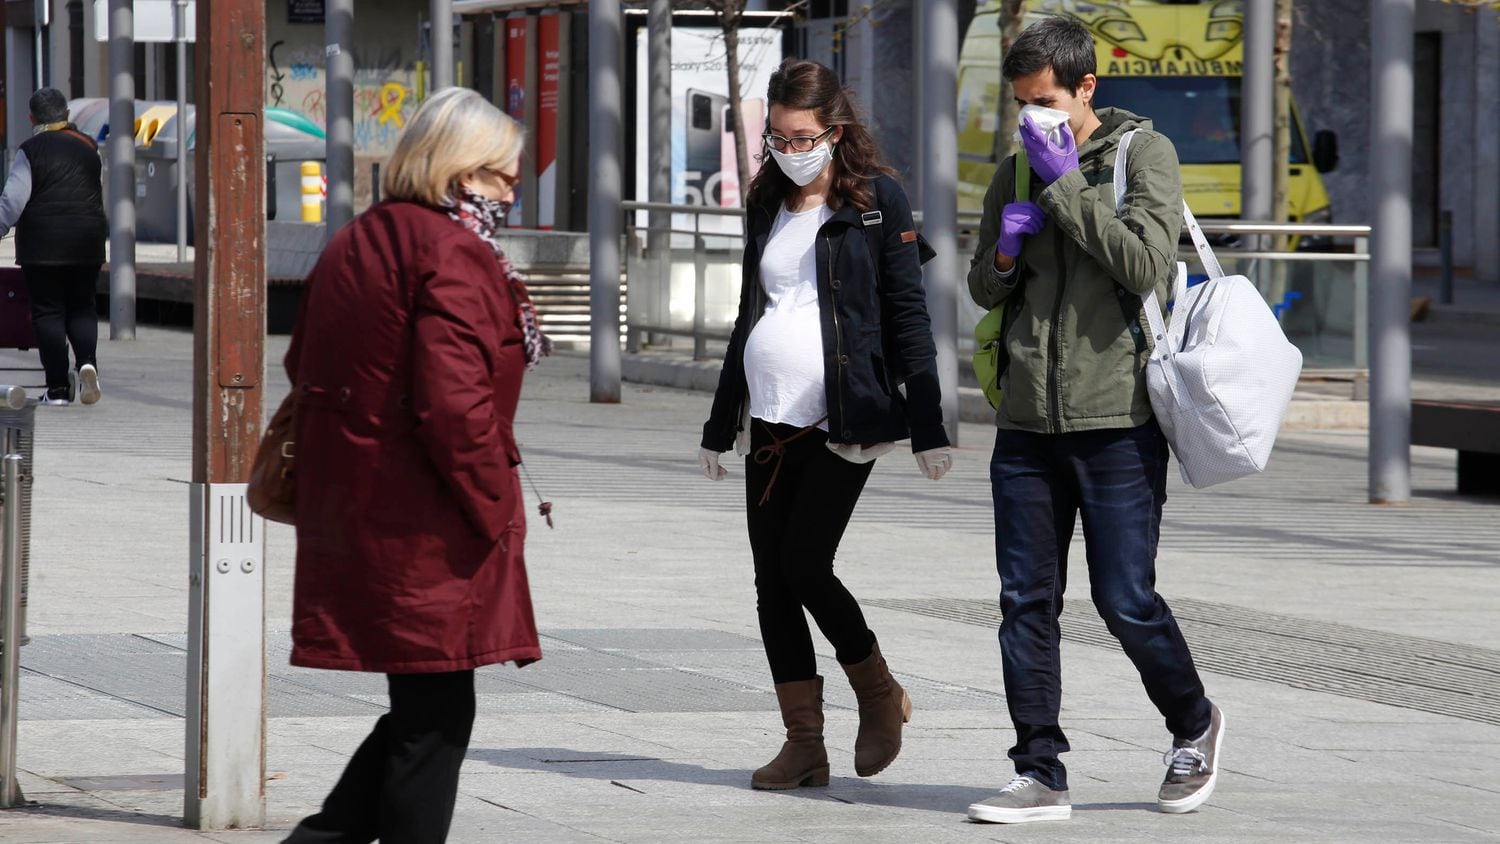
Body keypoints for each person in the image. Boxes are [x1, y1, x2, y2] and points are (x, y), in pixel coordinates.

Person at [963, 16, 1223, 824]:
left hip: (1118, 418)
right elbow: (983, 288)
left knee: (1124, 598)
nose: (1031, 119)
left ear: (1086, 89)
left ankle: (1194, 723)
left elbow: (1148, 264)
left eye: (1044, 102)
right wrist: (1005, 252)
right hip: (1027, 424)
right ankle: (1038, 769)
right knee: (1024, 602)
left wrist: (1066, 185)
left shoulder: (1144, 156)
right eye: (1020, 106)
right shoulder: (1013, 169)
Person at [281, 87, 550, 844]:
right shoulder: (454, 253)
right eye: (503, 176)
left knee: (425, 711)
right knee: (434, 718)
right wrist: (495, 509)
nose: (510, 191)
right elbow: (454, 406)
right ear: (464, 174)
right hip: (426, 523)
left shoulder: (359, 238)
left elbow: (304, 362)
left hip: (363, 506)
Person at [699, 58, 953, 792]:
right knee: (769, 586)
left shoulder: (878, 204)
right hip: (770, 420)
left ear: (834, 131)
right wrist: (721, 423)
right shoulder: (767, 202)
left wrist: (929, 422)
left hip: (847, 418)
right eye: (776, 136)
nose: (788, 147)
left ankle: (879, 694)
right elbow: (750, 315)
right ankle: (803, 744)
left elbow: (909, 317)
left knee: (805, 563)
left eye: (802, 135)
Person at [0, 88, 106, 406]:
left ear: (32, 117)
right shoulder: (89, 147)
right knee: (82, 306)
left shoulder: (30, 150)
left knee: (48, 312)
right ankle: (87, 363)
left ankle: (58, 389)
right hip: (87, 239)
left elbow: (14, 200)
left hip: (43, 244)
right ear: (67, 115)